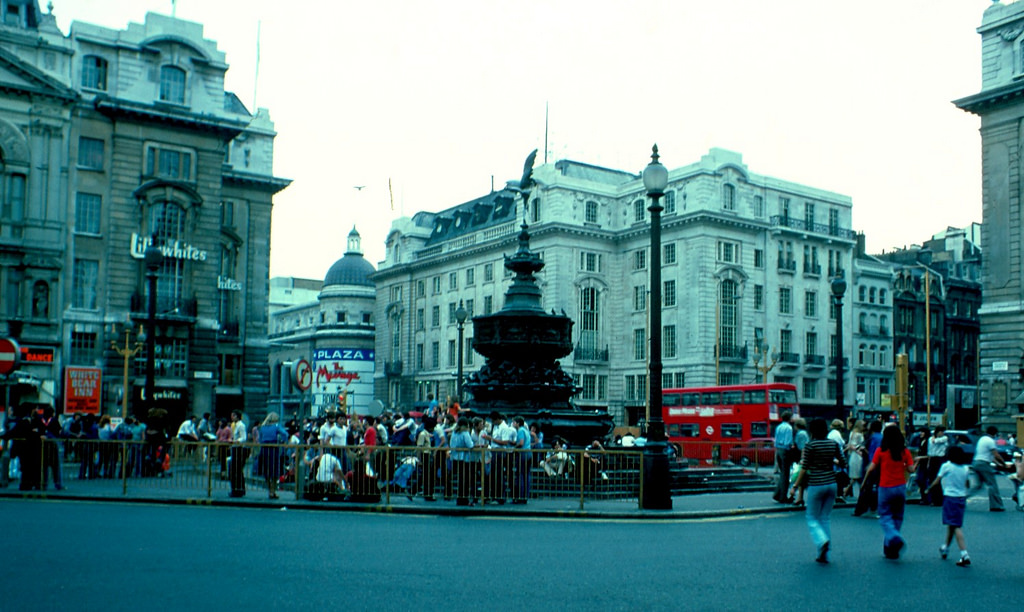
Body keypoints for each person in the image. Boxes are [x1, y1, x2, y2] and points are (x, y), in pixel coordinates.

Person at [792, 418, 846, 563]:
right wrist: (831, 461)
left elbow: (804, 467)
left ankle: (822, 542)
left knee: (811, 517)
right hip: (832, 483)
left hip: (816, 483)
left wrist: (795, 486)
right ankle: (823, 553)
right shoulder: (833, 444)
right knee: (825, 518)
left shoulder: (810, 445)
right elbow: (843, 462)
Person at [862, 425, 917, 560]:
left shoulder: (881, 451)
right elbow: (910, 470)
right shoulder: (904, 451)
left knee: (885, 515)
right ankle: (890, 548)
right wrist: (915, 463)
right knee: (897, 516)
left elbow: (871, 468)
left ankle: (894, 537)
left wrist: (864, 483)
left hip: (885, 487)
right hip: (900, 487)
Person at [925, 446, 971, 567]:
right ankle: (945, 547)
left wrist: (929, 489)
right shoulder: (965, 468)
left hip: (950, 497)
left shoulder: (947, 466)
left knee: (955, 526)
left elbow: (937, 480)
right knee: (952, 524)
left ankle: (964, 553)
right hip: (962, 498)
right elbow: (968, 484)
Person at [967, 425, 1008, 512]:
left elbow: (990, 456)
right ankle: (996, 506)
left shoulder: (982, 439)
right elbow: (996, 454)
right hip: (983, 464)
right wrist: (1003, 464)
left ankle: (962, 498)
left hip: (976, 462)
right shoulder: (990, 441)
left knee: (978, 485)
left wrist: (998, 464)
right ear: (995, 433)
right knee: (992, 484)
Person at [853, 420, 884, 517]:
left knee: (867, 486)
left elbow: (873, 452)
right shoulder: (882, 437)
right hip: (881, 465)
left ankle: (862, 509)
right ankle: (874, 507)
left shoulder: (873, 438)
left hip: (872, 464)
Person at [256, 412, 288, 499]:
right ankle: (272, 491)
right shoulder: (276, 426)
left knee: (266, 471)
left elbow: (260, 439)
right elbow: (285, 434)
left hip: (264, 449)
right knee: (274, 471)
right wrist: (283, 442)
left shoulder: (262, 427)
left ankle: (270, 489)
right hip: (273, 449)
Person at [772, 411, 795, 504]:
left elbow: (776, 440)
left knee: (783, 474)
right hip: (785, 451)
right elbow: (787, 442)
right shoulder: (789, 428)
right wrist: (791, 447)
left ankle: (777, 494)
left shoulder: (779, 427)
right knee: (786, 475)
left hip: (778, 450)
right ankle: (783, 497)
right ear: (789, 418)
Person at [922, 425, 949, 506]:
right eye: (941, 431)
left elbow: (936, 441)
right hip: (933, 459)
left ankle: (939, 499)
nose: (942, 433)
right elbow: (930, 450)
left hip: (940, 459)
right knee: (931, 478)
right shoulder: (930, 439)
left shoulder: (944, 438)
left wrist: (934, 438)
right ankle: (934, 499)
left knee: (938, 479)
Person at [788, 417, 809, 506]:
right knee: (801, 479)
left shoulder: (801, 434)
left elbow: (802, 447)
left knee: (796, 476)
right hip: (800, 457)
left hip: (799, 458)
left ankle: (794, 495)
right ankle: (799, 498)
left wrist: (802, 459)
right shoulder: (804, 433)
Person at [512, 416, 532, 504]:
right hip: (528, 453)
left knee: (520, 475)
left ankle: (520, 496)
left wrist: (514, 448)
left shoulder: (520, 431)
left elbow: (521, 443)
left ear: (518, 423)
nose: (512, 424)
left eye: (514, 422)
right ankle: (525, 496)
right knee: (526, 475)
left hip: (522, 454)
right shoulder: (526, 431)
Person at [228, 411, 248, 497]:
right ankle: (236, 489)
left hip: (239, 449)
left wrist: (235, 441)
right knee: (234, 470)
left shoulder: (241, 425)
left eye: (234, 415)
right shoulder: (234, 425)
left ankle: (238, 489)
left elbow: (243, 437)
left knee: (237, 470)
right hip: (234, 448)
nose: (232, 417)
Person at [844, 420, 866, 498]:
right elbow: (858, 445)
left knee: (855, 476)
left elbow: (850, 445)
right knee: (858, 475)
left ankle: (847, 490)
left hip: (853, 456)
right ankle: (847, 490)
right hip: (858, 456)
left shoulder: (852, 433)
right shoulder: (859, 435)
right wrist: (860, 451)